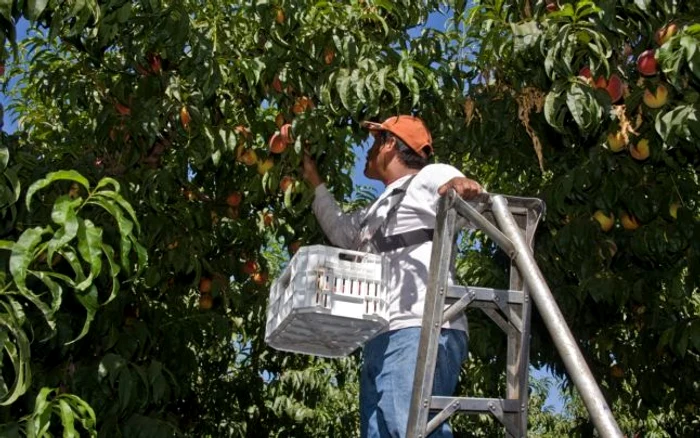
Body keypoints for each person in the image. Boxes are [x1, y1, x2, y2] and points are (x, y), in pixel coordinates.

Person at [302, 115, 482, 438]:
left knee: (411, 430)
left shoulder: (427, 178)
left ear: (390, 145)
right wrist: (315, 182)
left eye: (375, 142)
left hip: (419, 329)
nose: (368, 151)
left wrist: (461, 187)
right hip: (379, 336)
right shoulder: (377, 210)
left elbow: (460, 190)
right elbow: (341, 230)